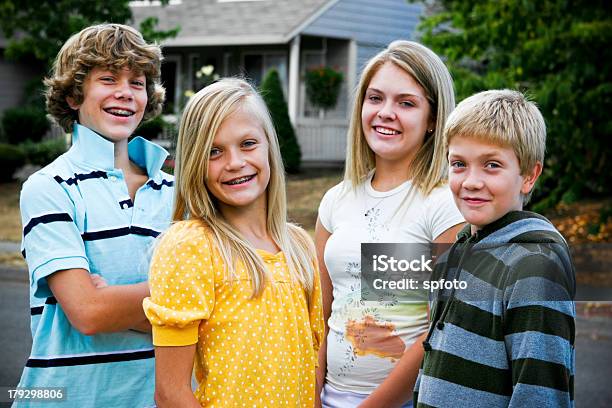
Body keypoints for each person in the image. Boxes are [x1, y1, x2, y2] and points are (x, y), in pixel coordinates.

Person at [16, 24, 173, 407]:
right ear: (73, 95)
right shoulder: (49, 187)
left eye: (137, 82)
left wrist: (114, 301)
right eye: (107, 79)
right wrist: (179, 302)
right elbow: (87, 313)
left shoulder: (180, 191)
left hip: (156, 396)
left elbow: (218, 304)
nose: (125, 92)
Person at [143, 78, 324, 407]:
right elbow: (170, 393)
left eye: (248, 143)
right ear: (195, 163)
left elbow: (310, 369)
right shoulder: (190, 246)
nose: (235, 162)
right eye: (214, 151)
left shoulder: (299, 246)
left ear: (269, 144)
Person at [316, 40, 465, 407]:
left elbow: (438, 330)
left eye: (406, 103)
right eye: (375, 98)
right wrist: (312, 397)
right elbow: (319, 316)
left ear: (433, 119)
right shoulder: (336, 200)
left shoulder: (445, 205)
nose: (385, 112)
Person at [414, 90, 575, 407]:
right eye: (459, 164)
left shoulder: (535, 266)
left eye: (491, 165)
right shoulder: (457, 252)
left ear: (528, 175)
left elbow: (540, 395)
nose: (471, 181)